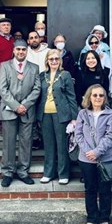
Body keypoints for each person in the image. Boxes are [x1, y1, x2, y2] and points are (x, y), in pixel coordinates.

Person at [75, 84, 112, 224]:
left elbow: (111, 135)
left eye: (101, 95)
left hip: (106, 158)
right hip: (86, 159)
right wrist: (89, 152)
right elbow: (78, 134)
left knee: (105, 189)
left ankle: (105, 220)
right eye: (95, 95)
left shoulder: (111, 114)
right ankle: (92, 219)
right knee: (90, 189)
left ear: (105, 98)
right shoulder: (82, 114)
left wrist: (97, 152)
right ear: (89, 97)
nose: (98, 98)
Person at [0, 39, 41, 187]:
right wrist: (16, 106)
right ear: (14, 51)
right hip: (9, 110)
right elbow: (2, 89)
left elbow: (37, 89)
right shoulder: (5, 66)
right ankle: (8, 172)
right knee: (8, 143)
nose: (21, 52)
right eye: (18, 49)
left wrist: (25, 105)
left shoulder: (34, 68)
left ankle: (23, 171)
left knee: (26, 142)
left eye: (23, 49)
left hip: (27, 111)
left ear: (26, 51)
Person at [37, 49, 78, 185]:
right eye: (51, 59)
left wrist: (74, 117)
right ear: (47, 61)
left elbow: (71, 97)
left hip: (62, 115)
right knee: (48, 145)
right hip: (45, 114)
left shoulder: (65, 75)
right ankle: (48, 173)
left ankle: (63, 173)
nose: (54, 61)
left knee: (61, 145)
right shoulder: (42, 75)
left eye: (56, 59)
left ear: (60, 61)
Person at [27, 31, 50, 150]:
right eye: (31, 38)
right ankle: (35, 138)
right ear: (28, 41)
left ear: (39, 38)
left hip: (45, 84)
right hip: (29, 87)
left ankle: (45, 139)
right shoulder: (25, 52)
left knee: (44, 113)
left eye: (36, 37)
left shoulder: (47, 51)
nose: (34, 40)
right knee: (32, 113)